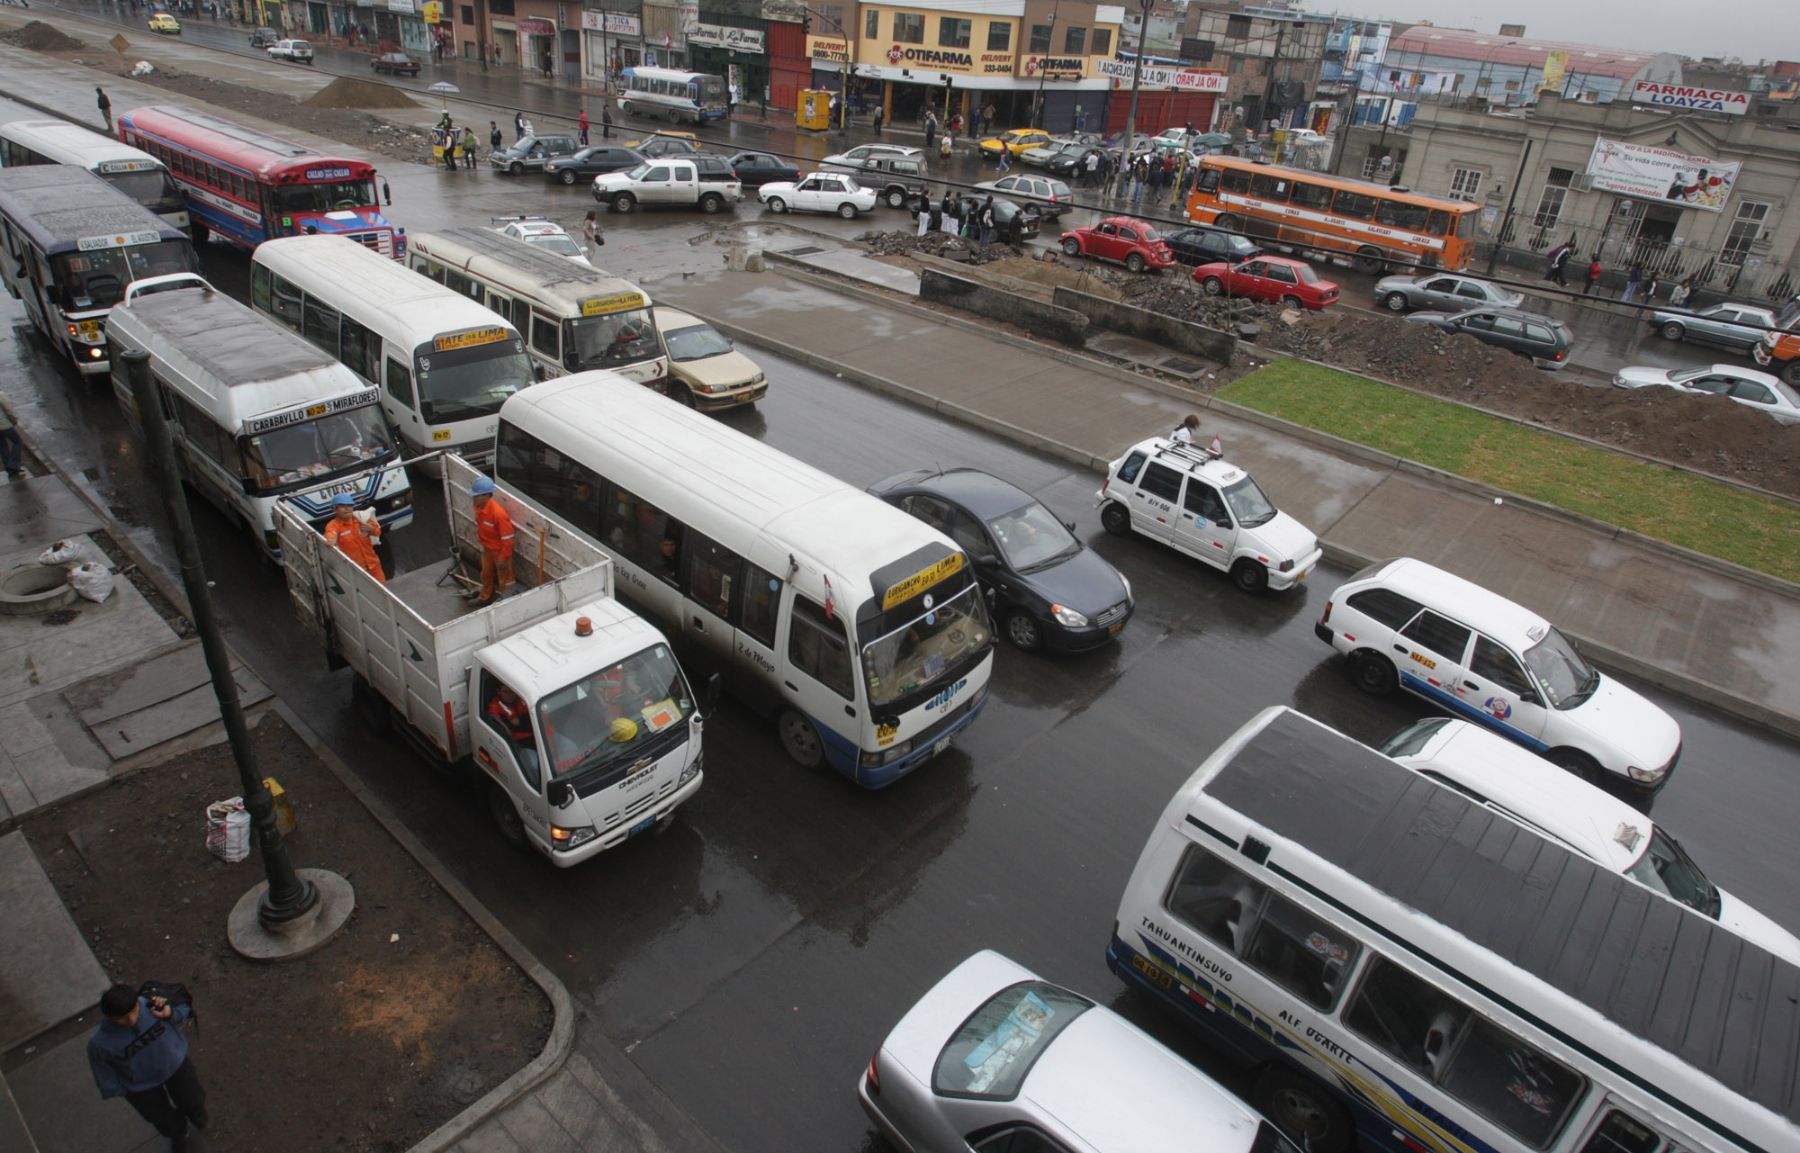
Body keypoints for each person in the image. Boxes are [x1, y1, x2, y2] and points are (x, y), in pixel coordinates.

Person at [89, 983, 206, 1152]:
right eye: (121, 1017)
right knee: (162, 1119)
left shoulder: (154, 1003)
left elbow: (184, 1009)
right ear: (108, 1017)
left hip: (175, 1066)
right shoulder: (99, 1044)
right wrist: (121, 1090)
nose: (131, 1020)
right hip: (141, 1088)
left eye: (134, 1010)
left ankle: (197, 1115)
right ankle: (179, 1134)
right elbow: (103, 1071)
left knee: (192, 1098)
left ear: (137, 1001)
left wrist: (170, 1012)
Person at [324, 493, 386, 583]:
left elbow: (377, 532)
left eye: (349, 505)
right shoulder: (333, 525)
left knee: (382, 592)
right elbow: (331, 534)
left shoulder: (362, 518)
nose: (347, 508)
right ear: (335, 509)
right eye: (342, 506)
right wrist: (331, 540)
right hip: (356, 571)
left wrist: (371, 529)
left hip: (374, 566)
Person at [472, 475, 514, 604]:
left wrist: (502, 558)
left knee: (505, 579)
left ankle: (505, 602)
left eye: (476, 495)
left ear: (486, 496)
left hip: (500, 552)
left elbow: (508, 539)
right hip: (488, 549)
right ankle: (484, 597)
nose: (473, 498)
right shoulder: (479, 507)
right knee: (486, 574)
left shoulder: (498, 514)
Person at [485, 682, 539, 777]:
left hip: (539, 734)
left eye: (511, 691)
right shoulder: (495, 709)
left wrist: (521, 721)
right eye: (505, 692)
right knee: (534, 767)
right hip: (521, 744)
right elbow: (512, 728)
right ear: (498, 692)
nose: (510, 695)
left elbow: (535, 715)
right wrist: (525, 721)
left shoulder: (522, 697)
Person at [0, 401, 23, 479]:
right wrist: (14, 419)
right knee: (17, 441)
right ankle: (13, 465)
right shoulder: (1, 395)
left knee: (3, 447)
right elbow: (8, 409)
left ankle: (9, 468)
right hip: (4, 424)